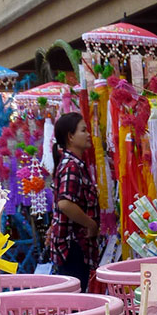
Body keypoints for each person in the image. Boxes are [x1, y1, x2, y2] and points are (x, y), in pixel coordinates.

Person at [47, 112, 99, 291]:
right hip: (73, 247)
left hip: (72, 247)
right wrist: (90, 224)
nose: (88, 134)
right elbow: (65, 203)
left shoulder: (72, 163)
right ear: (70, 136)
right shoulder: (72, 166)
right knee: (76, 301)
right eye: (83, 130)